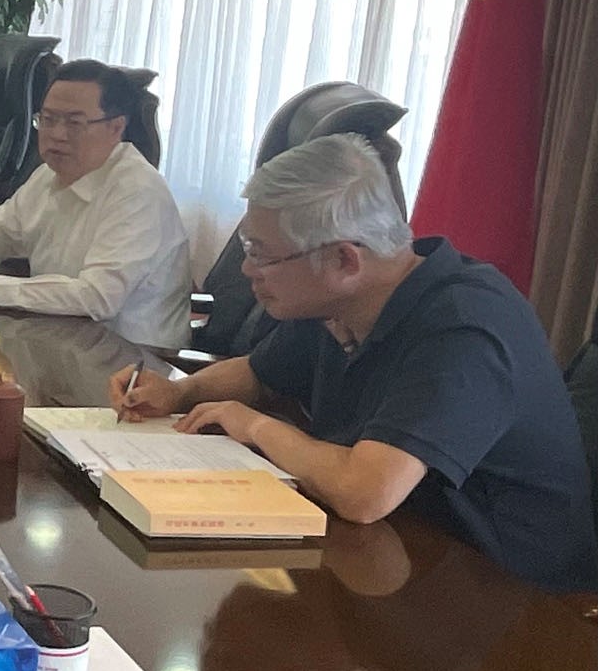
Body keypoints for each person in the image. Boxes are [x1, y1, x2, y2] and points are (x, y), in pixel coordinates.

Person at [112, 134, 596, 591]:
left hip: (506, 593)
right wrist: (179, 392)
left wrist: (255, 426)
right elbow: (258, 374)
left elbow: (366, 493)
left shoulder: (465, 328)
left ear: (345, 260)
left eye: (261, 254)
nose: (246, 270)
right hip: (393, 552)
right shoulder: (339, 300)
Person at [0, 58, 192, 348]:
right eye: (48, 119)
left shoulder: (138, 192)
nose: (57, 134)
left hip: (133, 358)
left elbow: (97, 298)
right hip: (61, 339)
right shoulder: (48, 174)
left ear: (116, 127)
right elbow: (2, 241)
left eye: (74, 122)